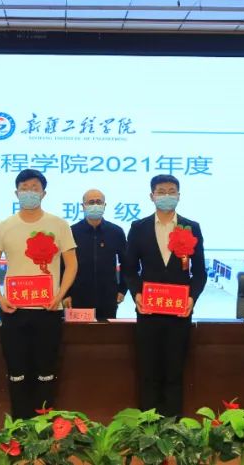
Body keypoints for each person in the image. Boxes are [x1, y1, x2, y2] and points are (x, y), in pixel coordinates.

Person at [0, 169, 77, 419]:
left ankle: (43, 429)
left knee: (46, 373)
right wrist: (0, 298)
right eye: (24, 188)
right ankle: (19, 428)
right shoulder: (3, 227)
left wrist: (59, 295)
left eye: (34, 188)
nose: (29, 192)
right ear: (16, 193)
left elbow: (72, 265)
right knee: (17, 373)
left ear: (44, 193)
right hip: (14, 311)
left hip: (48, 310)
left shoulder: (58, 225)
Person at [123, 174, 207, 417]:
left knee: (174, 372)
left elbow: (200, 272)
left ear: (179, 196)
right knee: (149, 372)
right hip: (148, 311)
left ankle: (173, 426)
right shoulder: (139, 228)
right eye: (161, 191)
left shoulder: (191, 227)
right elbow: (129, 269)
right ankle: (148, 426)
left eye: (172, 191)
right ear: (152, 196)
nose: (167, 195)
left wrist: (192, 298)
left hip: (179, 313)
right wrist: (137, 294)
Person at [65, 189, 128, 320]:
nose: (95, 205)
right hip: (77, 298)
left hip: (108, 298)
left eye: (99, 202)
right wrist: (66, 293)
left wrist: (122, 289)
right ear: (83, 206)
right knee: (78, 333)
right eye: (91, 202)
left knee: (106, 333)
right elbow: (63, 265)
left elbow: (127, 263)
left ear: (104, 205)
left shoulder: (116, 232)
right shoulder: (71, 232)